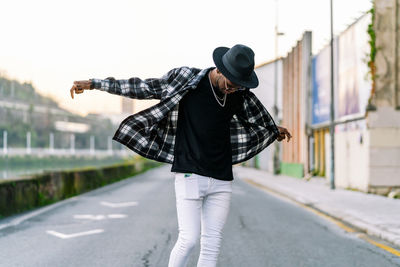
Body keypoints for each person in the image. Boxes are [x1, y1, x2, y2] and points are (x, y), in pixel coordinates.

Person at [70, 44, 292, 267]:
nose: (232, 90)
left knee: (212, 244)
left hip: (222, 177)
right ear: (220, 69)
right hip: (190, 173)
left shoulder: (239, 94)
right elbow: (143, 87)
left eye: (237, 87)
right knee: (189, 240)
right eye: (230, 84)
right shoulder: (186, 79)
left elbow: (258, 116)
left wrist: (274, 129)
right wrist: (94, 84)